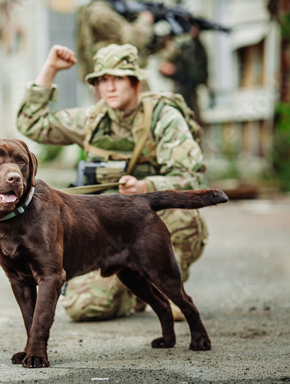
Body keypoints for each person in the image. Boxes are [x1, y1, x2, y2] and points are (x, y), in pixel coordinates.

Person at [16, 43, 209, 322]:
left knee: (176, 213)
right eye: (102, 80)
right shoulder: (93, 119)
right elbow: (31, 123)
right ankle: (133, 288)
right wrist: (50, 69)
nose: (110, 87)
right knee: (85, 308)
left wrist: (145, 187)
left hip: (150, 224)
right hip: (106, 233)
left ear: (135, 81)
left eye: (118, 78)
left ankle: (166, 284)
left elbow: (192, 178)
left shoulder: (163, 117)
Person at [76, 0, 165, 85]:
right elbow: (132, 39)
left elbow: (137, 47)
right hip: (112, 76)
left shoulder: (113, 7)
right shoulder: (100, 11)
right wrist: (146, 18)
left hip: (121, 75)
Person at [159, 23, 208, 122]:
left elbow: (204, 73)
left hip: (193, 93)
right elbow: (163, 66)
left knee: (195, 123)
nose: (196, 32)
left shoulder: (200, 48)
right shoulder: (180, 45)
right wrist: (178, 74)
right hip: (179, 91)